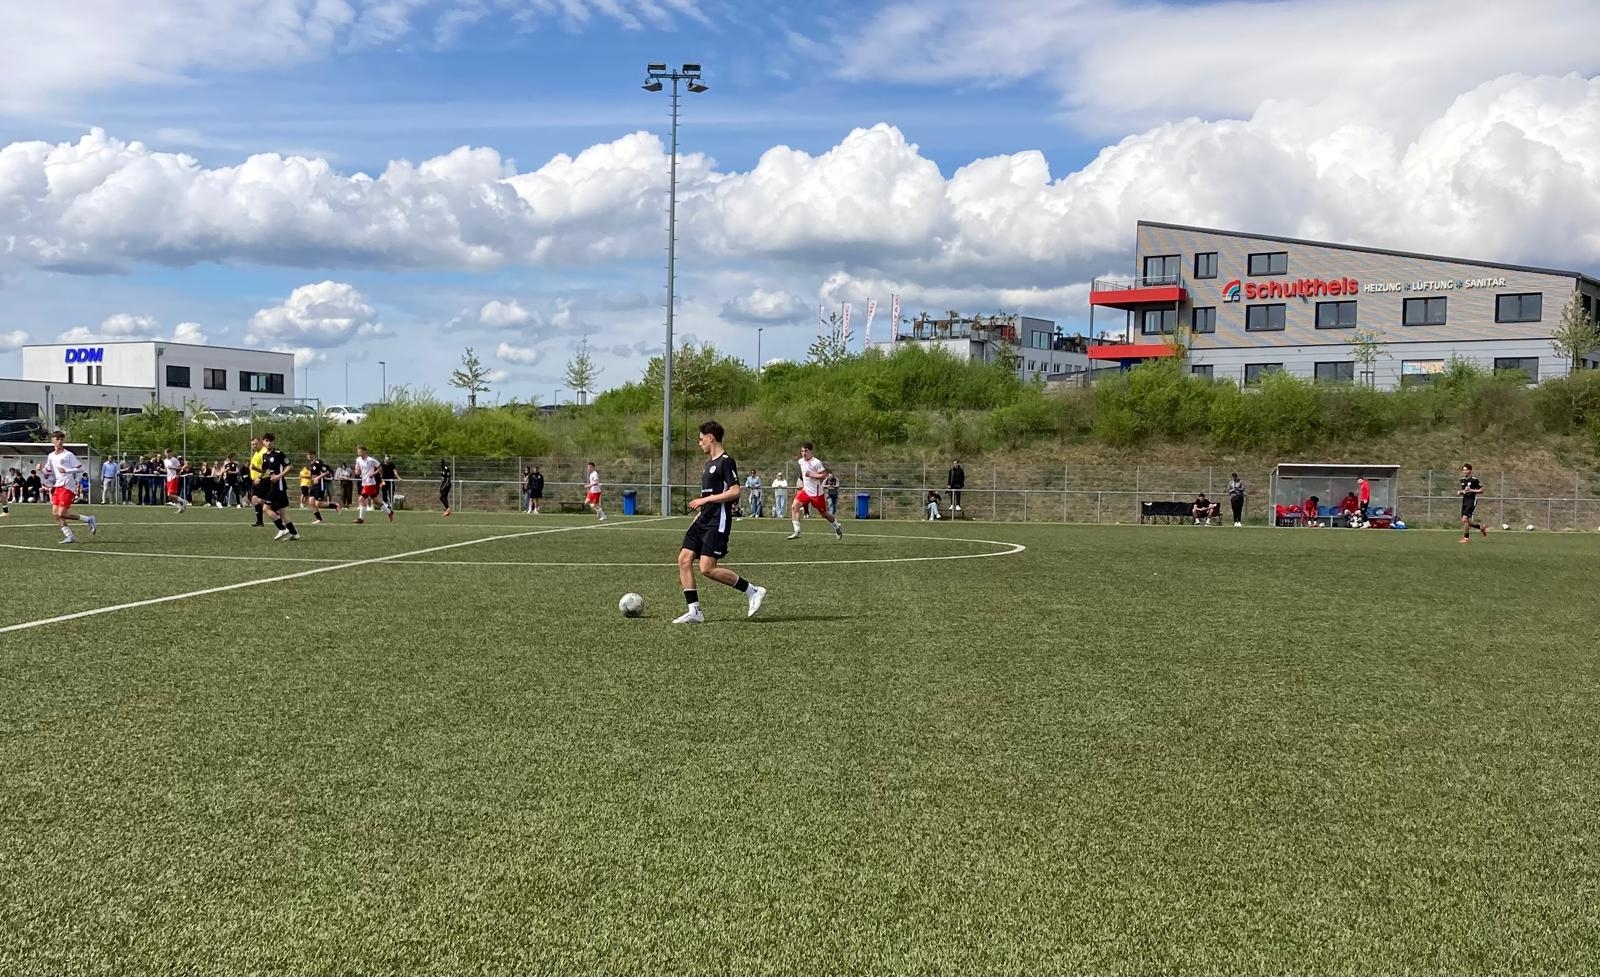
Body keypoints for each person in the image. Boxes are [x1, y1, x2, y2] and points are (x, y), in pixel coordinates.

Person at [672, 420, 767, 625]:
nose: (700, 443)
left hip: (718, 520)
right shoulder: (708, 465)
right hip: (703, 519)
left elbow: (735, 491)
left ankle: (753, 590)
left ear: (711, 437)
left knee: (707, 568)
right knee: (684, 559)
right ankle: (694, 611)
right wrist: (700, 512)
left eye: (701, 439)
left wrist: (705, 500)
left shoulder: (726, 461)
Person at [45, 431, 97, 543]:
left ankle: (88, 519)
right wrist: (41, 469)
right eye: (57, 439)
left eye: (61, 439)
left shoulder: (68, 454)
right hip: (58, 486)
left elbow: (80, 468)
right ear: (52, 441)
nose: (60, 441)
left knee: (62, 513)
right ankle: (70, 536)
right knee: (55, 514)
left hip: (67, 486)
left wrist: (66, 470)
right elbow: (47, 471)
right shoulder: (51, 456)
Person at [787, 442, 844, 541]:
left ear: (810, 451)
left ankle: (837, 525)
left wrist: (812, 475)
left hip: (816, 494)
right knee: (794, 506)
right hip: (806, 491)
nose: (804, 453)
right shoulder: (801, 461)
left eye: (806, 451)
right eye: (802, 451)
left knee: (824, 514)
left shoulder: (816, 462)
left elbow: (824, 475)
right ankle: (797, 531)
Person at [252, 433, 299, 541]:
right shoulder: (265, 456)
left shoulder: (278, 454)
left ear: (273, 442)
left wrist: (279, 476)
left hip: (279, 485)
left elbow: (289, 466)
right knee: (282, 511)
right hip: (273, 485)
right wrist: (259, 477)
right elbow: (266, 471)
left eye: (270, 441)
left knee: (266, 508)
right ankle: (294, 533)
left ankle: (282, 528)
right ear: (263, 442)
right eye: (266, 441)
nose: (269, 443)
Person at [352, 445, 389, 524]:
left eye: (360, 452)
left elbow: (380, 468)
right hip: (364, 482)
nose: (358, 453)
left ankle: (360, 519)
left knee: (361, 499)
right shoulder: (358, 460)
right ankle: (389, 512)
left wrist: (373, 474)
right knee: (376, 501)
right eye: (358, 452)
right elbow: (358, 471)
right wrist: (357, 471)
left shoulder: (371, 460)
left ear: (364, 451)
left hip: (370, 483)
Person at [304, 450, 340, 524]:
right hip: (314, 485)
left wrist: (318, 478)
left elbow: (326, 472)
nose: (309, 456)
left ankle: (336, 505)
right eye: (308, 455)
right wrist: (312, 480)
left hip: (320, 485)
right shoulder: (310, 464)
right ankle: (319, 519)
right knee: (311, 502)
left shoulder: (318, 462)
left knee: (318, 504)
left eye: (311, 454)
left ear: (314, 455)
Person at [1459, 464, 1487, 543]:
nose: (1465, 471)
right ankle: (1481, 527)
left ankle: (1466, 538)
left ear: (1470, 471)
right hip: (1465, 500)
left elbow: (1481, 490)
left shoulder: (1474, 480)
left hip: (1471, 500)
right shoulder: (1462, 480)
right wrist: (1460, 492)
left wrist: (1471, 490)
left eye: (1467, 470)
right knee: (1466, 521)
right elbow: (1464, 491)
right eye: (1464, 470)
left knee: (1465, 519)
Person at [161, 447, 189, 513]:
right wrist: (160, 469)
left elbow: (179, 468)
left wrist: (172, 467)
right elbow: (166, 470)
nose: (167, 454)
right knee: (172, 496)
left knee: (169, 494)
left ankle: (184, 501)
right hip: (168, 478)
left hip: (173, 478)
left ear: (170, 453)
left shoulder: (174, 460)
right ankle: (180, 508)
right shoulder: (165, 461)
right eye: (166, 453)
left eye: (168, 453)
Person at [248, 437, 266, 526]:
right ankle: (259, 522)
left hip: (262, 480)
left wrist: (260, 477)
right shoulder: (256, 453)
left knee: (261, 501)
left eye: (255, 444)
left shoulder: (264, 452)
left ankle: (278, 516)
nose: (254, 446)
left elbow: (266, 468)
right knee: (255, 500)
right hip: (255, 481)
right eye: (252, 444)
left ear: (260, 443)